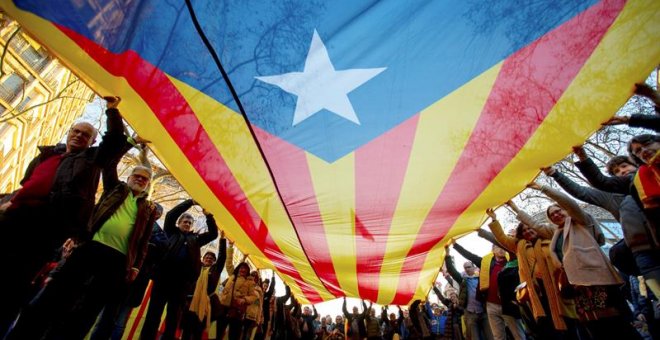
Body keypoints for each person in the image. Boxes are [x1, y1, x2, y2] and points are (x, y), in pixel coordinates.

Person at [0, 96, 128, 334]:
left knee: (14, 284)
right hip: (14, 218)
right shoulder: (48, 154)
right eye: (76, 131)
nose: (78, 136)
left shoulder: (92, 159)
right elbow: (28, 183)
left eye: (85, 135)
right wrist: (9, 202)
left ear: (91, 142)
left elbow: (115, 141)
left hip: (44, 228)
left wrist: (112, 111)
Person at [6, 162, 159, 340]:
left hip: (117, 261)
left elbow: (143, 241)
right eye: (137, 176)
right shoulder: (115, 189)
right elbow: (108, 164)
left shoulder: (148, 208)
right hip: (90, 248)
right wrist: (129, 141)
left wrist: (136, 267)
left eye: (144, 179)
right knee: (58, 294)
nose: (140, 180)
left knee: (89, 308)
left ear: (148, 184)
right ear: (129, 177)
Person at [527, 183, 641, 339]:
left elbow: (570, 203)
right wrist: (512, 206)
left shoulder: (581, 222)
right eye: (552, 215)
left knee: (614, 321)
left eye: (558, 210)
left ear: (565, 210)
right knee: (593, 324)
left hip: (597, 279)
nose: (555, 215)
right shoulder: (556, 233)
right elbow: (533, 225)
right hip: (578, 285)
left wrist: (542, 189)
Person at [486, 204, 579, 340]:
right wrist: (494, 220)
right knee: (546, 328)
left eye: (530, 228)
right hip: (537, 292)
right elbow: (502, 238)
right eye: (524, 231)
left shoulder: (551, 240)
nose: (528, 231)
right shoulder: (519, 246)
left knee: (569, 324)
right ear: (521, 234)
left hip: (557, 288)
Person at [140, 199, 219, 340]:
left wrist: (209, 215)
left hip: (181, 286)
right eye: (185, 221)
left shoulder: (196, 239)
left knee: (173, 319)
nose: (187, 224)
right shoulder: (170, 232)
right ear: (179, 223)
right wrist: (190, 202)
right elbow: (171, 215)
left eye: (190, 223)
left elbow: (213, 234)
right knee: (153, 316)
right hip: (162, 280)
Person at [181, 231, 227, 340]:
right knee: (187, 330)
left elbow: (222, 257)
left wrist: (222, 240)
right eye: (207, 257)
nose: (209, 259)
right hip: (190, 302)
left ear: (214, 261)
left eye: (211, 258)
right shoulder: (197, 266)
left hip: (205, 304)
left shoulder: (215, 270)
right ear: (203, 259)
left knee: (198, 330)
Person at [444, 246, 492, 340]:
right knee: (474, 338)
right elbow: (451, 270)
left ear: (474, 268)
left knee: (490, 336)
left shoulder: (482, 278)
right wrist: (447, 255)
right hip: (470, 314)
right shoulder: (462, 280)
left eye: (469, 267)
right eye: (465, 268)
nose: (467, 269)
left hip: (484, 312)